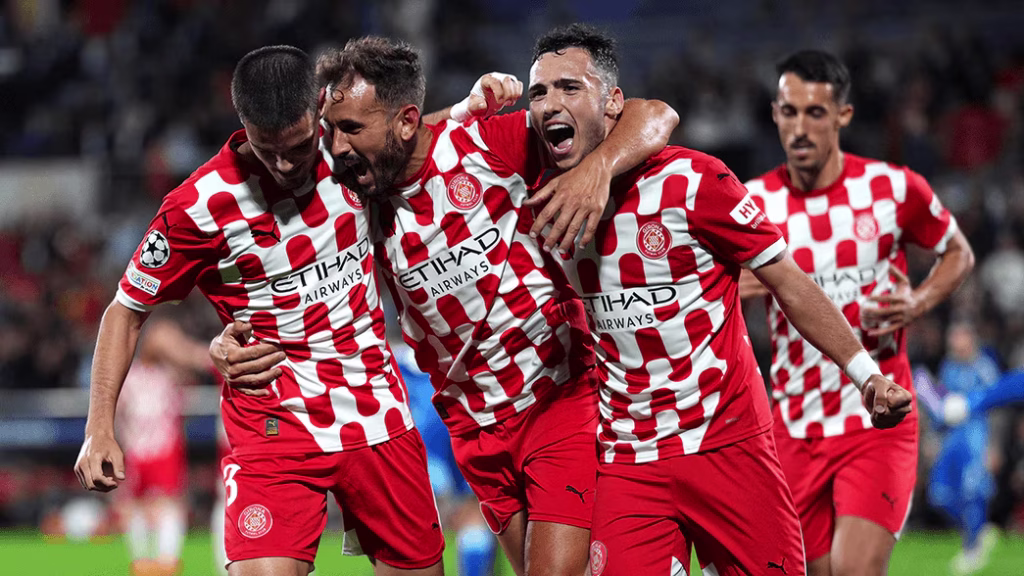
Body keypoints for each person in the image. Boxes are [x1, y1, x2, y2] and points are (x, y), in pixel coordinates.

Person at [216, 35, 677, 576]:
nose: (335, 148)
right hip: (474, 425)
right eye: (332, 130)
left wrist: (597, 170)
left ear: (405, 121)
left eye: (350, 130)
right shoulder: (354, 193)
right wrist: (227, 339)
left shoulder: (488, 144)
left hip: (555, 398)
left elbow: (654, 114)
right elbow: (282, 278)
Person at [525, 24, 913, 576]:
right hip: (628, 456)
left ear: (612, 102)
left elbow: (790, 282)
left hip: (727, 442)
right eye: (537, 93)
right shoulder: (537, 186)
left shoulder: (693, 181)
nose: (548, 104)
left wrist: (865, 374)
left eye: (568, 88)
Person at [74, 45, 445, 576]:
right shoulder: (198, 206)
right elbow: (124, 310)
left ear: (318, 111)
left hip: (375, 411)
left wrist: (470, 105)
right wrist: (99, 426)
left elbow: (414, 133)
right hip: (273, 422)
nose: (286, 164)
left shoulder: (351, 157)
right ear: (242, 125)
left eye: (297, 145)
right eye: (267, 149)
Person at [741, 49, 975, 576]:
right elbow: (714, 290)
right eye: (788, 111)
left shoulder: (892, 189)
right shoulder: (751, 205)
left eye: (815, 113)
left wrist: (917, 300)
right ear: (775, 114)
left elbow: (958, 251)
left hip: (877, 418)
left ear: (843, 115)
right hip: (795, 429)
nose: (799, 127)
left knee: (854, 570)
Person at [114, 316, 211, 576]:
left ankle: (167, 561)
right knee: (134, 505)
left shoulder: (172, 373)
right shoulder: (130, 374)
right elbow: (119, 412)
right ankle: (141, 562)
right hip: (136, 449)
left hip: (165, 447)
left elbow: (190, 374)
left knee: (169, 504)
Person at [923, 323, 1002, 575]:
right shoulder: (948, 367)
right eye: (953, 338)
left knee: (973, 492)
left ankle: (972, 551)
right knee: (939, 495)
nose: (956, 344)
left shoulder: (984, 368)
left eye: (960, 338)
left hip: (977, 437)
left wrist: (995, 445)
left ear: (971, 339)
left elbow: (998, 407)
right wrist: (934, 439)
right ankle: (978, 531)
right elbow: (941, 407)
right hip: (952, 439)